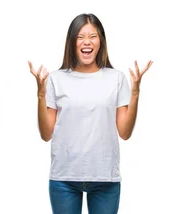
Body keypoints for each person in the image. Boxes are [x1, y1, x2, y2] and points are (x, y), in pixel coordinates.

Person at [29, 13, 153, 214]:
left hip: (105, 177)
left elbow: (125, 132)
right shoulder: (55, 79)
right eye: (80, 36)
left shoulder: (116, 78)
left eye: (93, 36)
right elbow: (46, 134)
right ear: (72, 42)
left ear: (101, 41)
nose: (87, 41)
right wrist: (41, 96)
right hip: (64, 178)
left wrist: (136, 93)